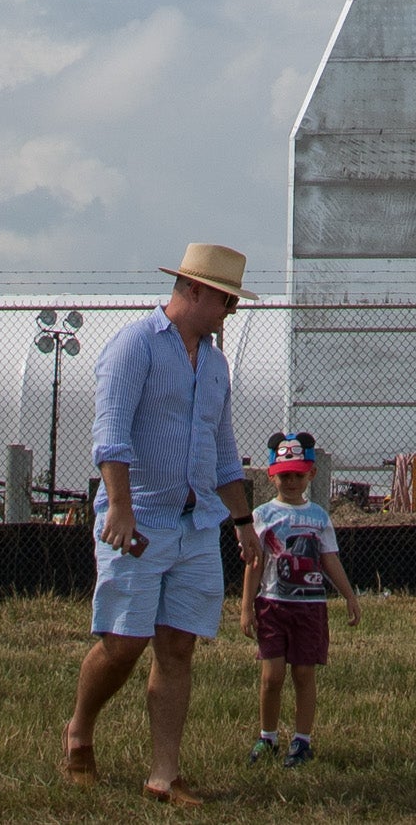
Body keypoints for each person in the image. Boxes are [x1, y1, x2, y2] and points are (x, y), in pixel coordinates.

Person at [62, 243, 246, 803]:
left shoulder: (215, 366)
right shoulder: (134, 346)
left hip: (196, 529)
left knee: (178, 647)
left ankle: (164, 776)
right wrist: (119, 506)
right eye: (224, 299)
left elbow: (224, 453)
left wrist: (243, 523)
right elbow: (110, 433)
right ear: (193, 290)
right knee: (123, 643)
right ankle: (79, 732)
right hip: (138, 522)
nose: (230, 312)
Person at [241, 433, 356, 766]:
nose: (291, 481)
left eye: (298, 474)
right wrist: (247, 606)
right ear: (272, 474)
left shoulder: (319, 517)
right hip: (273, 605)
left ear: (311, 475)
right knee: (271, 676)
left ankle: (302, 742)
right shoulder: (261, 515)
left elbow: (330, 559)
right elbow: (255, 562)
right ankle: (268, 738)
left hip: (309, 609)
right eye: (285, 474)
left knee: (304, 675)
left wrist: (349, 596)